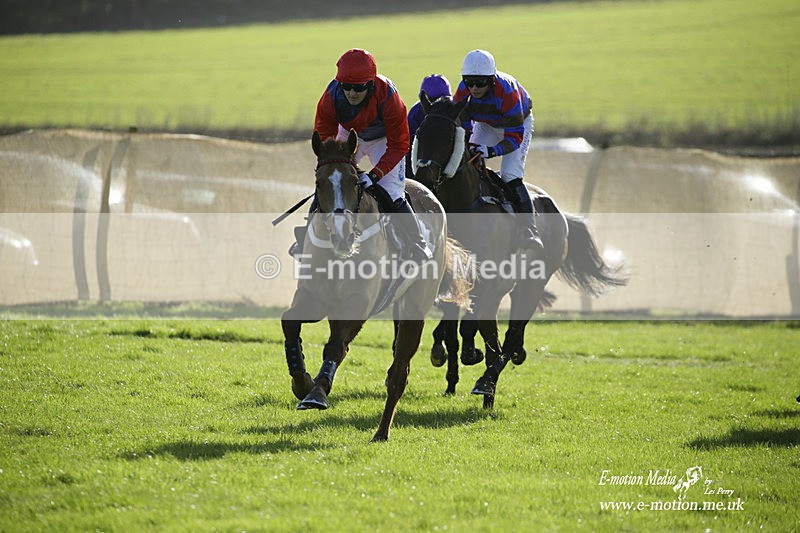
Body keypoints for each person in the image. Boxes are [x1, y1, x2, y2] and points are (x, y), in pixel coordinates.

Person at [291, 48, 431, 262]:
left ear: (371, 84)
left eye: (359, 88)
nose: (352, 93)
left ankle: (418, 243)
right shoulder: (330, 97)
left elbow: (400, 144)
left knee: (393, 192)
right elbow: (324, 138)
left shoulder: (389, 98)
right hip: (349, 136)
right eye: (346, 87)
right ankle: (305, 241)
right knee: (331, 183)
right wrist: (331, 165)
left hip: (385, 140)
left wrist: (375, 175)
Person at [453, 49, 543, 253]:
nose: (474, 88)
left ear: (492, 80)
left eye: (481, 83)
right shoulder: (462, 92)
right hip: (485, 124)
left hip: (516, 125)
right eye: (469, 81)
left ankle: (529, 230)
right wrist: (469, 145)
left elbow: (514, 136)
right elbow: (462, 126)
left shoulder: (507, 91)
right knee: (468, 162)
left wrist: (491, 151)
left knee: (511, 174)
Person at [405, 74, 452, 180]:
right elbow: (408, 144)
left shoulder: (453, 110)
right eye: (431, 100)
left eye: (439, 100)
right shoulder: (415, 112)